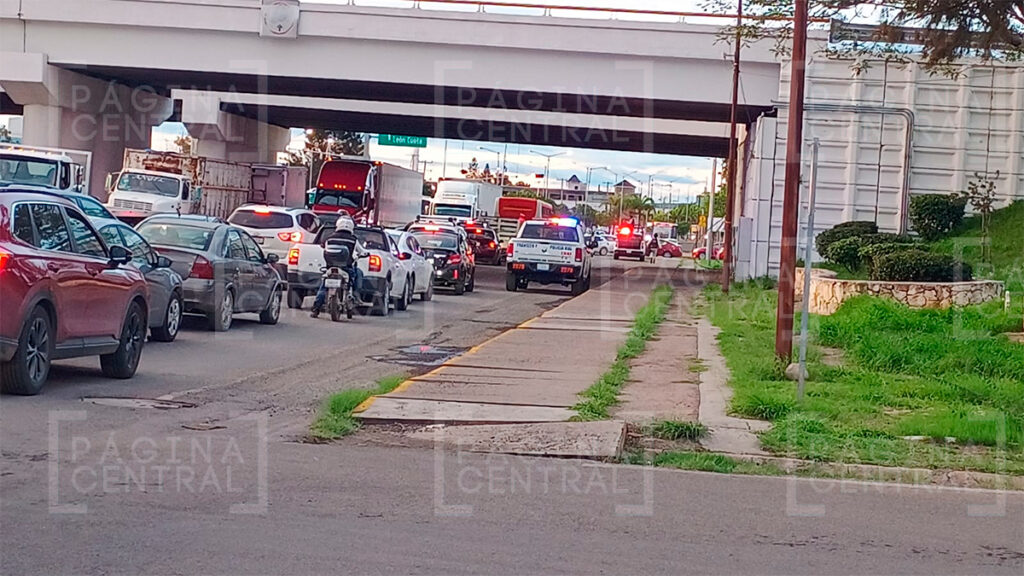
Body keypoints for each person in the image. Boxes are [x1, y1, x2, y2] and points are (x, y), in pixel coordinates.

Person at [311, 215, 368, 318]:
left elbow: (324, 247)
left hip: (330, 268)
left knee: (323, 287)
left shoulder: (330, 238)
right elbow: (362, 251)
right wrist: (365, 254)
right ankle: (355, 296)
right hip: (346, 268)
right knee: (357, 275)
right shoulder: (353, 239)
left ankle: (316, 309)